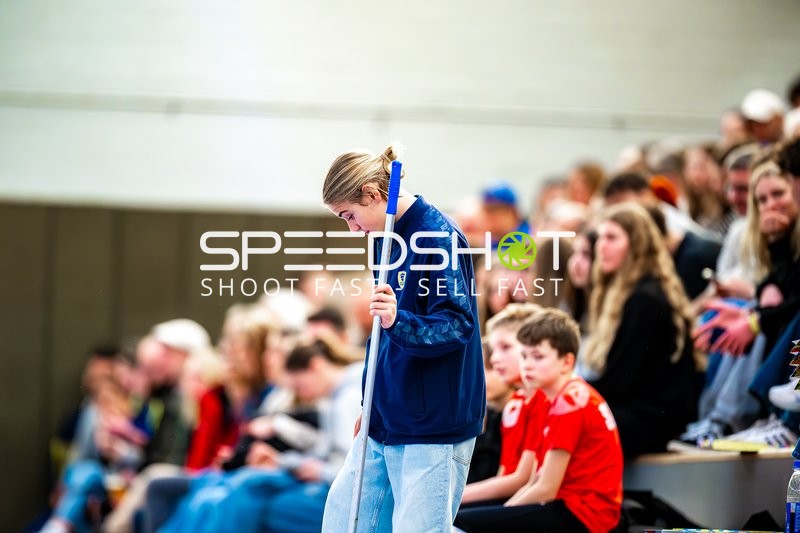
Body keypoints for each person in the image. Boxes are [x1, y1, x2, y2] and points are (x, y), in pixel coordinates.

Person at [320, 143, 486, 532]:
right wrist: (370, 399)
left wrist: (400, 320)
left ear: (373, 195)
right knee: (345, 524)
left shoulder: (439, 236)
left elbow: (458, 324)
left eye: (350, 215)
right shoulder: (383, 237)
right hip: (386, 413)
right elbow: (381, 331)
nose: (351, 228)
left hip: (432, 422)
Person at [454, 308, 623, 533]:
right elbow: (535, 479)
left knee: (464, 522)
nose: (528, 365)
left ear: (567, 362)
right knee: (467, 519)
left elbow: (545, 488)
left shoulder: (570, 403)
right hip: (569, 505)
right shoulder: (559, 399)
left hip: (585, 513)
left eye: (538, 357)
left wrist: (504, 515)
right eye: (524, 356)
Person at [584, 203, 697, 458]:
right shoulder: (628, 293)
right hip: (639, 412)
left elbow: (621, 378)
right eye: (600, 237)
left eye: (612, 238)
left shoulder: (645, 298)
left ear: (636, 244)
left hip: (651, 420)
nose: (601, 246)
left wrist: (567, 391)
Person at [460, 303, 546, 506]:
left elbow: (524, 479)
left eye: (505, 347)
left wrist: (454, 498)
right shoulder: (517, 404)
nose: (496, 358)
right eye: (494, 350)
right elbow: (505, 474)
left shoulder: (545, 400)